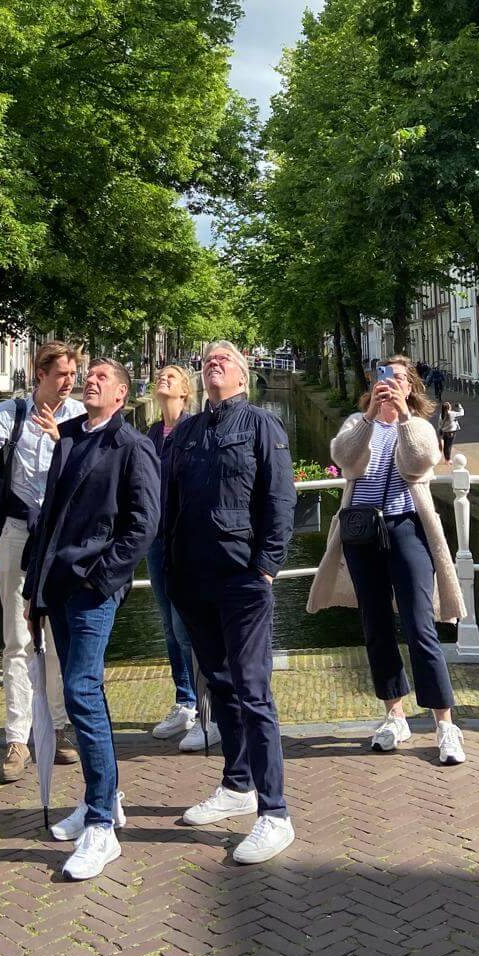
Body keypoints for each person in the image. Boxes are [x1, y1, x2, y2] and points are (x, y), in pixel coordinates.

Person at [25, 359, 161, 880]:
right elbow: (50, 519)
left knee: (81, 690)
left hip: (91, 588)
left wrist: (103, 578)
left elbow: (142, 524)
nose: (92, 380)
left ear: (123, 393)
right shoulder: (71, 436)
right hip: (57, 587)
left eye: (104, 377)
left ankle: (101, 826)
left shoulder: (131, 446)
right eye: (91, 374)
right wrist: (32, 590)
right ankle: (100, 796)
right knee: (84, 692)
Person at [166, 341, 298, 866]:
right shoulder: (191, 431)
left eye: (224, 360)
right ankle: (237, 783)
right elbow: (169, 498)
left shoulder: (262, 425)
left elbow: (280, 497)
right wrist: (173, 566)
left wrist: (266, 564)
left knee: (252, 688)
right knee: (217, 682)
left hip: (242, 575)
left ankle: (275, 812)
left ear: (243, 376)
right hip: (193, 577)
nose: (212, 364)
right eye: (207, 362)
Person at [307, 357, 467, 766]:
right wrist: (368, 418)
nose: (389, 384)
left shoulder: (419, 427)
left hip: (405, 527)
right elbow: (345, 459)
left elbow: (419, 462)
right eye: (384, 377)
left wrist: (401, 418)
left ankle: (444, 723)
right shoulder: (356, 423)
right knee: (375, 624)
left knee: (419, 625)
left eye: (398, 378)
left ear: (411, 386)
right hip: (361, 530)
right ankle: (394, 714)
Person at [0, 340, 82, 782]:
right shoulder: (11, 414)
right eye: (61, 375)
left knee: (57, 634)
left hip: (61, 535)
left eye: (73, 375)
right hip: (16, 531)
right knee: (16, 637)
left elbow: (90, 473)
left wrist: (61, 440)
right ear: (40, 373)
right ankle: (16, 737)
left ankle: (61, 726)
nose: (68, 383)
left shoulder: (78, 417)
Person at [145, 365, 198, 747]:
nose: (164, 379)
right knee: (166, 623)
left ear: (186, 391)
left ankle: (200, 703)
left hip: (187, 540)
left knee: (187, 625)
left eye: (172, 376)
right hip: (156, 539)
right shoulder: (150, 434)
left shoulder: (195, 431)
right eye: (161, 376)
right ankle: (184, 700)